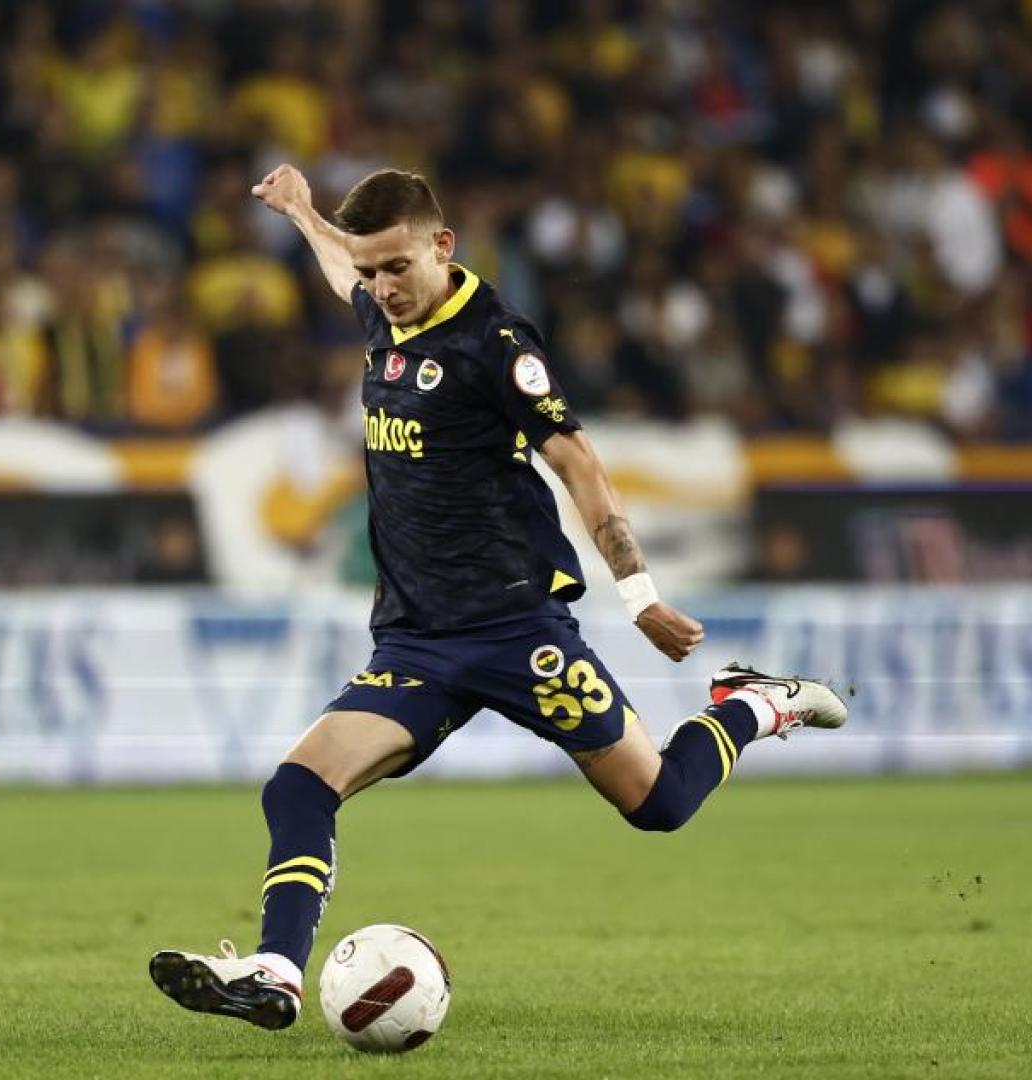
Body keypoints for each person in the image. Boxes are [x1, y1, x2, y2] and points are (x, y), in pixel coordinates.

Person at [149, 166, 848, 1029]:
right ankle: (276, 973)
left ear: (442, 247)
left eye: (396, 267)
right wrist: (300, 210)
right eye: (371, 273)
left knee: (660, 803)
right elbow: (341, 267)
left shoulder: (496, 343)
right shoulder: (382, 308)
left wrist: (639, 596)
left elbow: (577, 463)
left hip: (519, 631)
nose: (381, 288)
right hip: (416, 643)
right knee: (297, 785)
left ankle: (754, 704)